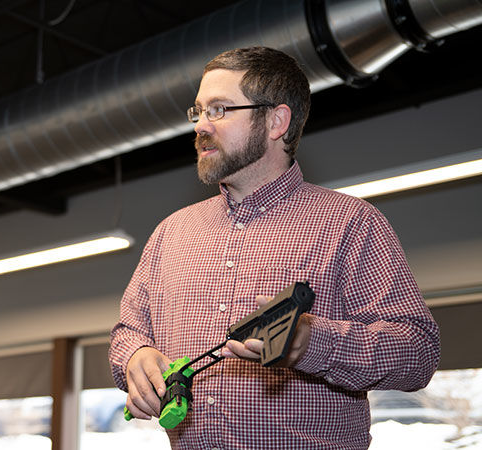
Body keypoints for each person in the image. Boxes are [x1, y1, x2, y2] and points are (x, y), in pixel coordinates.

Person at [108, 46, 440, 449]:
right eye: (198, 111)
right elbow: (129, 331)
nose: (200, 126)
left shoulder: (350, 223)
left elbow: (417, 353)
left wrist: (311, 342)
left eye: (220, 109)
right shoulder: (171, 233)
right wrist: (135, 356)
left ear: (276, 121)